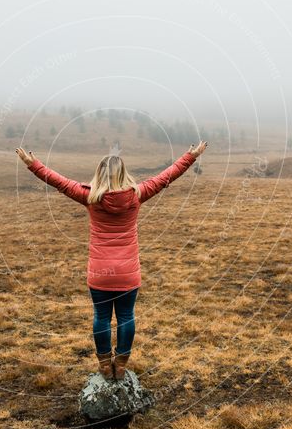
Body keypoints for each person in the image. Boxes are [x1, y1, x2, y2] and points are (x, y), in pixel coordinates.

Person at [16, 141, 208, 380]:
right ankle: (122, 362)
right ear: (124, 174)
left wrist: (32, 164)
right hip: (128, 273)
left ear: (99, 174)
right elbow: (167, 176)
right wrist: (191, 156)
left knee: (102, 317)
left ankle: (105, 364)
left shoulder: (89, 197)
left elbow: (58, 181)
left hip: (100, 273)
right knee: (127, 316)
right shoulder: (138, 195)